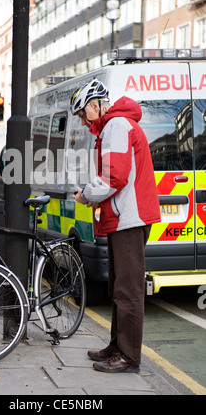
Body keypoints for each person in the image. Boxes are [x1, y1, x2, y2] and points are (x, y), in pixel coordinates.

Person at [70, 79, 161, 373]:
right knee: (119, 287)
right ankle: (116, 346)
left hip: (129, 220)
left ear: (96, 105)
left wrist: (87, 194)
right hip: (125, 218)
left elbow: (114, 178)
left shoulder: (117, 127)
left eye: (83, 114)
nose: (83, 121)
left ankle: (128, 357)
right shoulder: (114, 126)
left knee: (129, 290)